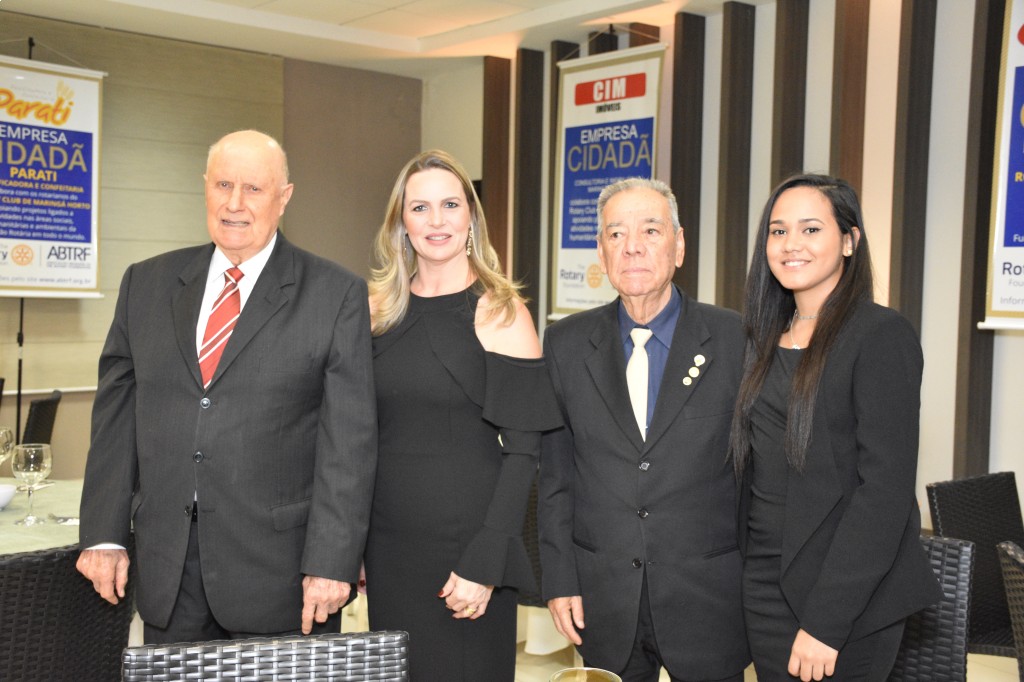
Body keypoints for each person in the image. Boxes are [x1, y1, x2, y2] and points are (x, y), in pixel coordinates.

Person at [76, 130, 377, 643]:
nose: (235, 203)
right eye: (223, 185)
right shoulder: (145, 284)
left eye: (254, 188)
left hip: (281, 576)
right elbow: (116, 417)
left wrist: (332, 562)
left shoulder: (335, 294)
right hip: (168, 567)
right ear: (205, 188)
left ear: (284, 197)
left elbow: (349, 443)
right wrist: (104, 534)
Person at [729, 174, 941, 681]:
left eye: (810, 229)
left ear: (849, 241)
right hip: (764, 583)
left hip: (844, 596)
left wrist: (827, 622)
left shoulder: (880, 335)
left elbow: (884, 494)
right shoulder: (762, 338)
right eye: (778, 231)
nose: (791, 244)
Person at [539, 177, 750, 681]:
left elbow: (759, 478)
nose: (631, 246)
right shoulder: (566, 344)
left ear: (679, 246)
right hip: (604, 597)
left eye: (650, 231)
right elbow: (556, 476)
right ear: (601, 252)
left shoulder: (736, 339)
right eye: (616, 234)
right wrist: (560, 578)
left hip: (709, 597)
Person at [364, 149, 560, 681]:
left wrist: (488, 558)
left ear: (471, 216)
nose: (437, 220)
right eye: (420, 207)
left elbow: (525, 451)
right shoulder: (376, 312)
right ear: (401, 223)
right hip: (389, 550)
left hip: (468, 555)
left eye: (450, 205)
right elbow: (361, 436)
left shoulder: (500, 311)